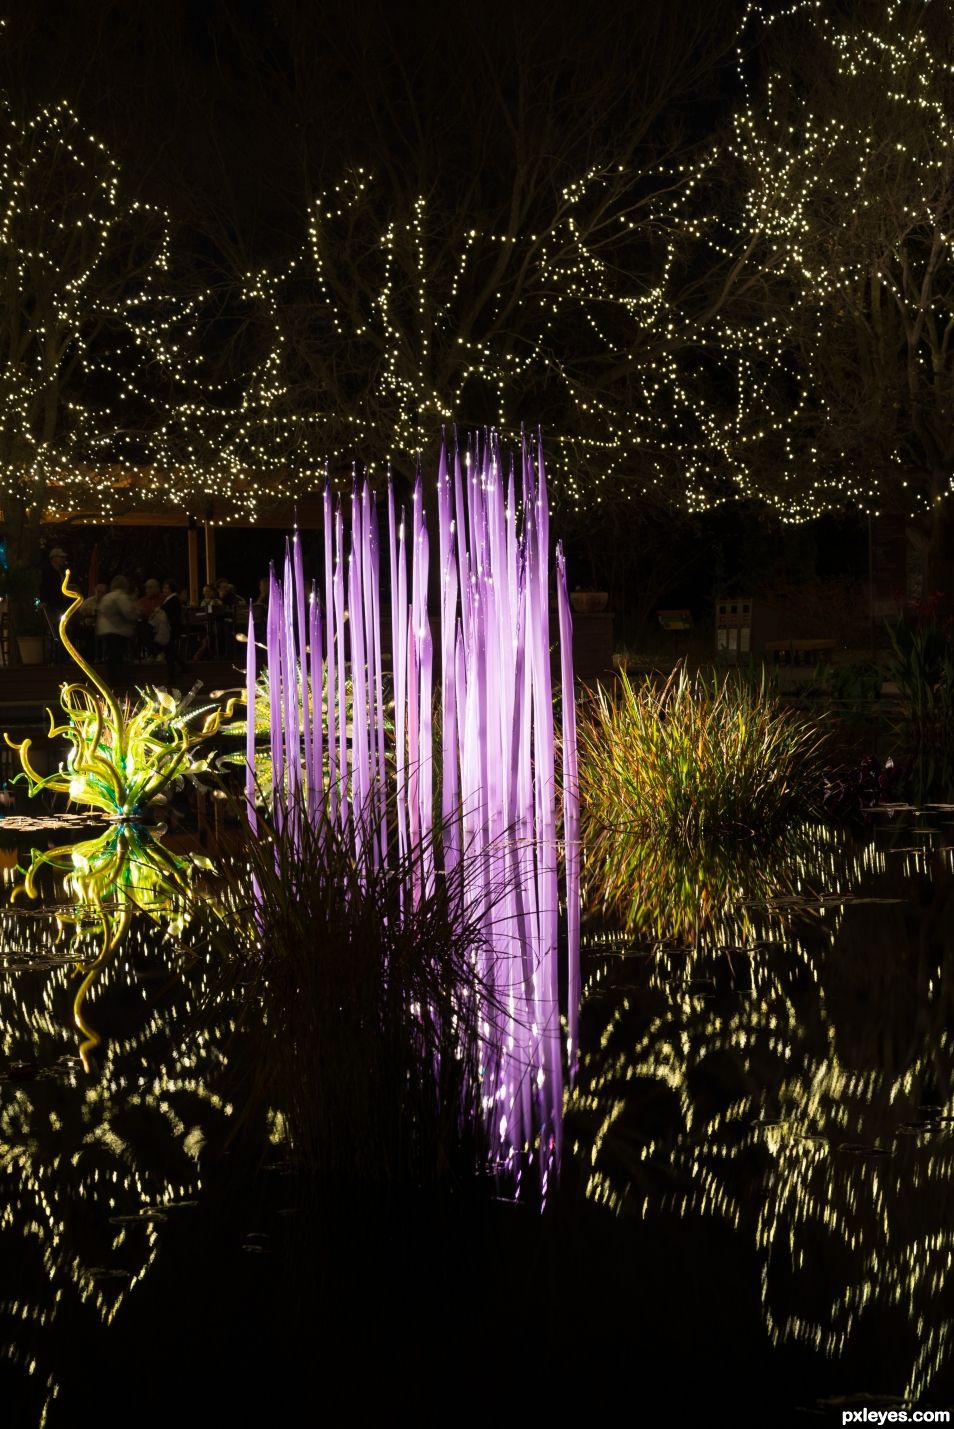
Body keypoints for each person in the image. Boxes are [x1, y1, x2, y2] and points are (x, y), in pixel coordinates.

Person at [95, 574, 137, 688]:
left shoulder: (107, 597)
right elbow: (128, 612)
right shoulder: (121, 596)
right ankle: (119, 682)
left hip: (105, 630)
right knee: (119, 657)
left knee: (110, 657)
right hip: (118, 631)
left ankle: (110, 681)